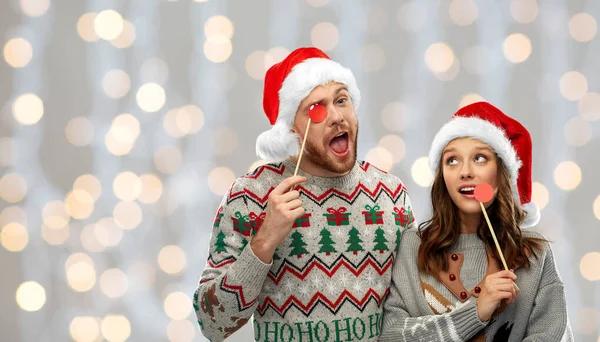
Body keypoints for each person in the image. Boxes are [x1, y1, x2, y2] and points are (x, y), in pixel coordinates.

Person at [193, 47, 417, 342]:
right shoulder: (249, 195)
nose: (337, 117)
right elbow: (212, 324)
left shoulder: (391, 195)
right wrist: (265, 241)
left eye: (341, 100)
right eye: (317, 109)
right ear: (292, 128)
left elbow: (413, 310)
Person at [380, 102, 573, 341]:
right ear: (443, 176)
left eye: (480, 158)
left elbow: (552, 335)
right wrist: (475, 312)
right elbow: (391, 335)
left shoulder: (536, 253)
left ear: (501, 172)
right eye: (452, 160)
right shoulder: (413, 246)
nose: (465, 172)